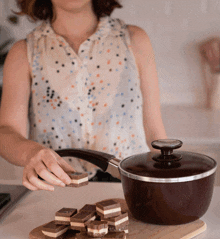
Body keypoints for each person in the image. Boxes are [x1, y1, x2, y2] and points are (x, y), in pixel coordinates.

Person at [0, 0, 167, 192]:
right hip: (56, 193)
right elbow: (6, 131)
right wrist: (32, 153)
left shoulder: (135, 39)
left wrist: (170, 182)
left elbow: (155, 134)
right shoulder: (23, 52)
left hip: (131, 191)